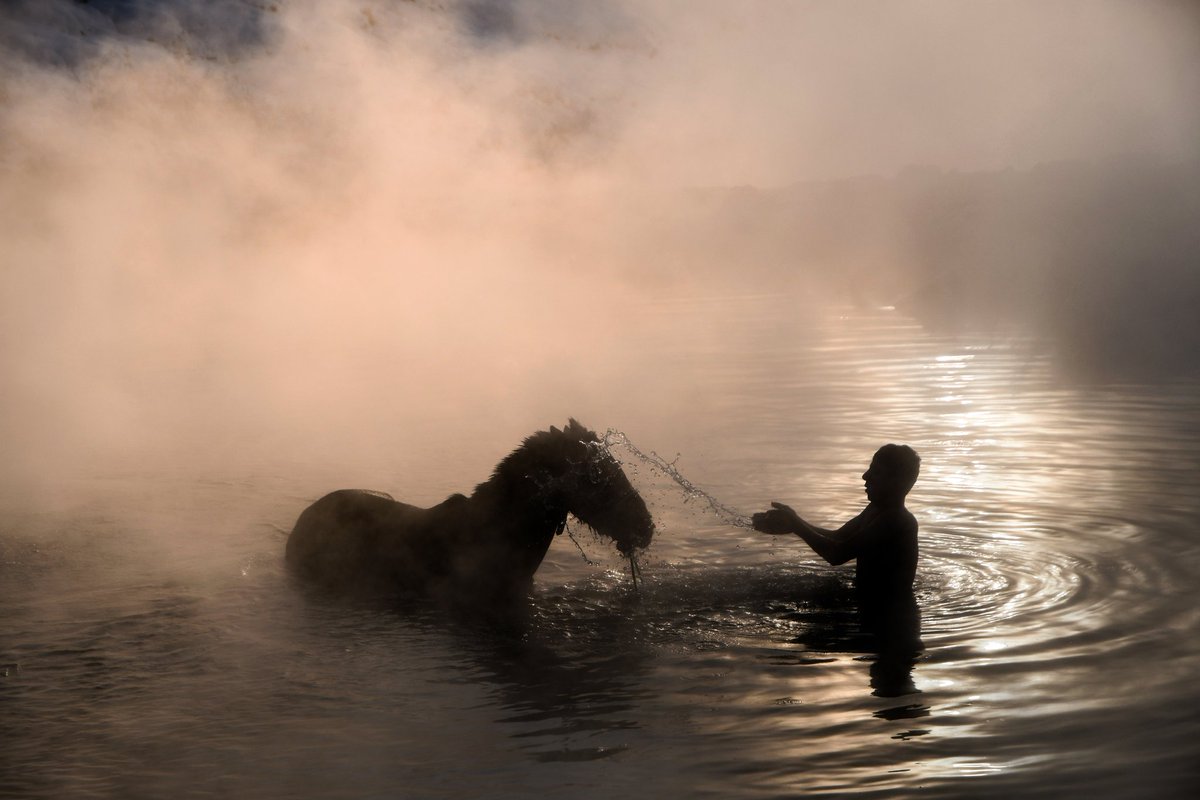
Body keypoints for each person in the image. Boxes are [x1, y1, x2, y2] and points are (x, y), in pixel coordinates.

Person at [752, 444, 923, 695]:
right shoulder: (877, 510)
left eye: (875, 472)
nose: (865, 476)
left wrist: (797, 525)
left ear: (896, 482)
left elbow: (837, 554)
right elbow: (839, 538)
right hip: (870, 607)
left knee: (810, 640)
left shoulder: (897, 520)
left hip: (888, 616)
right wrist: (794, 525)